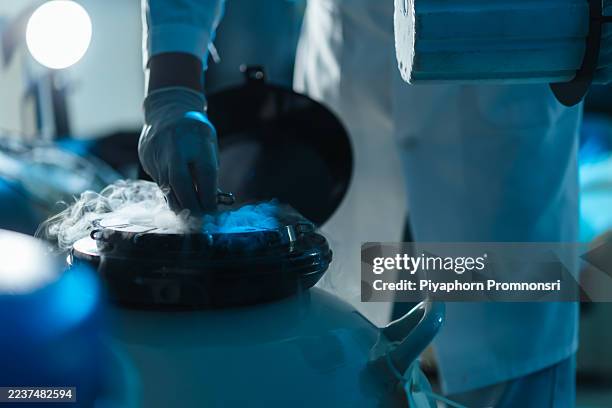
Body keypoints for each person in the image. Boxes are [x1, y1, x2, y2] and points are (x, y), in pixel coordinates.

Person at [138, 0, 581, 406]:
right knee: (334, 366)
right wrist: (172, 88)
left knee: (507, 369)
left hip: (504, 77)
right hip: (349, 77)